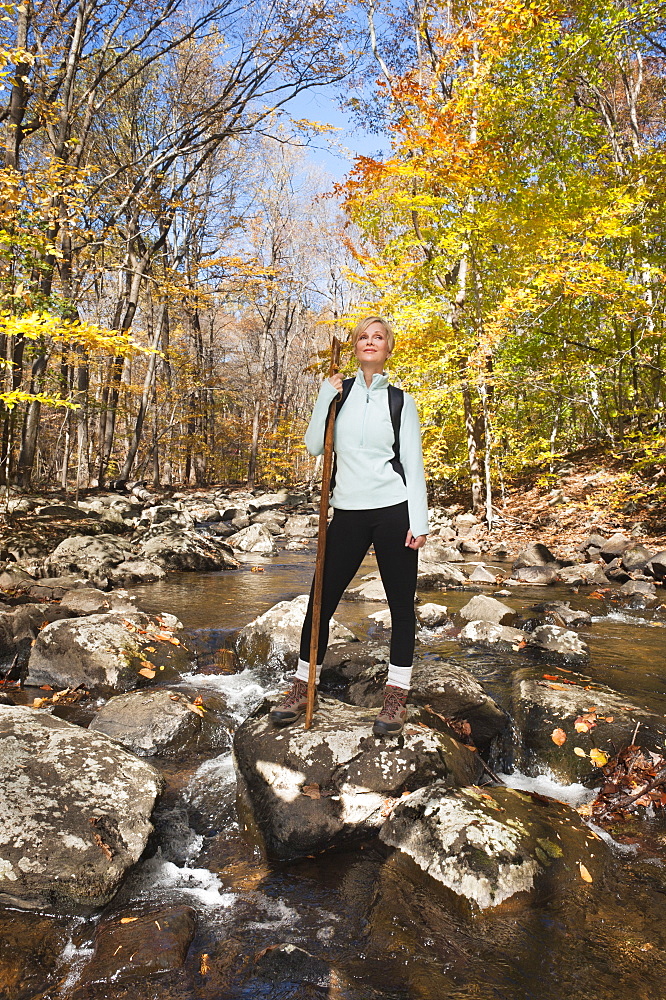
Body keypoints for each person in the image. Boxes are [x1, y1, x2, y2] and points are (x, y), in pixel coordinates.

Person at [270, 316, 429, 736]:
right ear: (356, 347)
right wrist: (325, 395)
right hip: (347, 513)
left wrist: (420, 521)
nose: (370, 342)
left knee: (400, 607)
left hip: (393, 510)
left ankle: (396, 698)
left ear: (389, 348)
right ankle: (304, 686)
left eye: (379, 337)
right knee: (320, 601)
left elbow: (413, 465)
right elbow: (312, 446)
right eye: (364, 337)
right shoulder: (338, 396)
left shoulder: (400, 401)